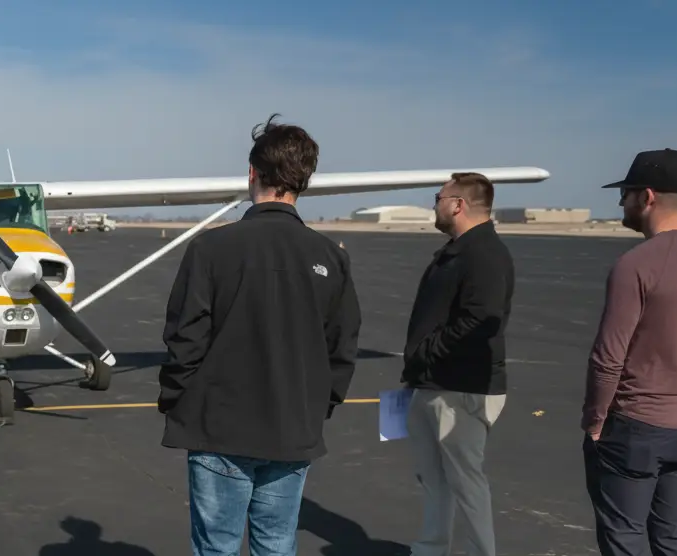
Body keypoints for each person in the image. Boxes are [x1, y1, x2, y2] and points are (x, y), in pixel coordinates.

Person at [157, 113, 361, 555]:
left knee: (217, 547)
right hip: (293, 431)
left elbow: (184, 338)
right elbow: (342, 347)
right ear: (303, 181)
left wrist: (176, 399)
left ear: (252, 173)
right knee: (276, 545)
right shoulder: (330, 256)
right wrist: (316, 407)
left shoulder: (211, 248)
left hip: (219, 430)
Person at [582, 148, 677, 556]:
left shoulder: (636, 264)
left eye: (627, 193)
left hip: (638, 425)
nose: (621, 202)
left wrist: (595, 421)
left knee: (624, 533)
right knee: (672, 534)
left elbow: (608, 356)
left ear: (647, 197)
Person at [401, 172, 513, 556]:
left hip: (461, 388)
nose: (435, 203)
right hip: (431, 384)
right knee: (433, 479)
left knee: (466, 482)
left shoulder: (484, 254)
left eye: (438, 197)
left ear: (458, 204)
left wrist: (426, 350)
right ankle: (430, 548)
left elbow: (479, 319)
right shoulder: (457, 250)